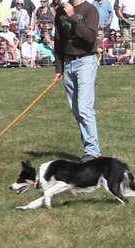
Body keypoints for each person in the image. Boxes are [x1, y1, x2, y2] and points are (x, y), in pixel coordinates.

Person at [54, 0, 101, 161]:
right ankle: (89, 148)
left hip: (85, 61)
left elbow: (89, 37)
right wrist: (59, 68)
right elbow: (58, 41)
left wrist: (73, 16)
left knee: (84, 108)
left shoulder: (90, 9)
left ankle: (92, 152)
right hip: (68, 64)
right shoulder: (60, 12)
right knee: (76, 110)